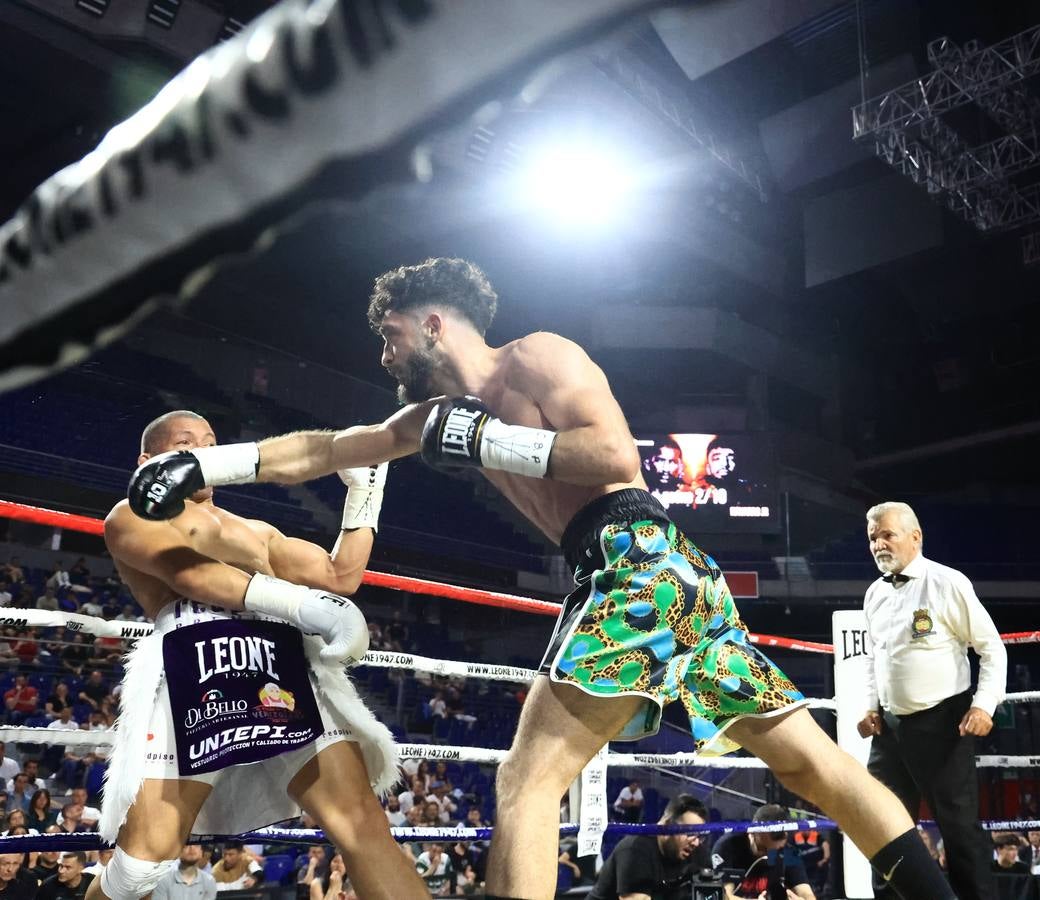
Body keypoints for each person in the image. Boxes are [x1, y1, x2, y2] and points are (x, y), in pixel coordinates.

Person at [128, 257, 959, 900]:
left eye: (389, 335)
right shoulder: (427, 419)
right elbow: (327, 448)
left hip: (633, 558)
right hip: (669, 578)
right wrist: (209, 461)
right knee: (813, 766)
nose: (383, 353)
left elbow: (615, 457)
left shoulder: (536, 357)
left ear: (433, 323)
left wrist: (491, 443)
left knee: (526, 784)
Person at [94, 410, 422, 900]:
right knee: (143, 863)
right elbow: (194, 577)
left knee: (362, 825)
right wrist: (307, 605)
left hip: (281, 664)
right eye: (186, 444)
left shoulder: (257, 531)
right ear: (149, 461)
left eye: (210, 442)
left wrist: (364, 495)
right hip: (198, 661)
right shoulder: (131, 514)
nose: (203, 453)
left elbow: (340, 576)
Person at [856, 501, 1006, 900]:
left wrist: (984, 704)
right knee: (881, 825)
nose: (878, 544)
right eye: (873, 537)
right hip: (889, 729)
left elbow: (991, 649)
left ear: (915, 537)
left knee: (959, 832)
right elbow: (876, 656)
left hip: (943, 723)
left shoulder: (947, 582)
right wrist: (870, 705)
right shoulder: (874, 594)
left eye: (887, 534)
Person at [587, 794, 707, 900]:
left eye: (700, 836)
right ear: (667, 825)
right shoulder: (635, 849)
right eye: (690, 833)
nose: (695, 842)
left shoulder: (697, 851)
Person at [710, 803, 814, 899]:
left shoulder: (788, 852)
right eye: (762, 849)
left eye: (775, 851)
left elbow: (806, 893)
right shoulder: (727, 846)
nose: (767, 856)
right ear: (752, 832)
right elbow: (724, 896)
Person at [150, 846, 216, 900]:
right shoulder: (163, 879)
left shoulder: (209, 881)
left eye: (196, 844)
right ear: (178, 851)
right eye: (187, 844)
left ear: (201, 852)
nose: (192, 848)